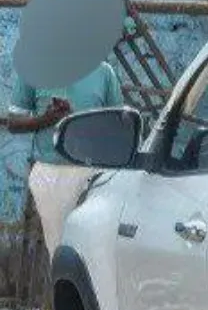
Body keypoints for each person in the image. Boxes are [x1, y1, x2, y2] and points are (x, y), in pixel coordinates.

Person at [6, 57, 123, 257]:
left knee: (94, 251)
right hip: (50, 173)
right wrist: (46, 119)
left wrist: (77, 119)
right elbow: (14, 123)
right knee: (60, 250)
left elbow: (118, 125)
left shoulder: (104, 72)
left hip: (94, 173)